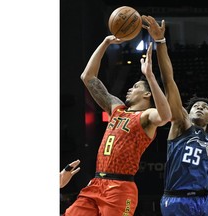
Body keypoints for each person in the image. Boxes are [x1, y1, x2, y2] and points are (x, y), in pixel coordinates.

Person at [63, 36, 172, 216]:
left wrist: (150, 77)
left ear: (147, 94)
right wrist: (105, 43)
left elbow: (165, 116)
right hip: (96, 183)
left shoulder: (146, 116)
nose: (130, 88)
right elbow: (87, 77)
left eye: (136, 86)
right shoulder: (117, 108)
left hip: (121, 187)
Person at [142, 15, 208, 216]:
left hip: (204, 201)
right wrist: (161, 42)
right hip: (177, 200)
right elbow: (169, 80)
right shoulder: (180, 124)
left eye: (204, 107)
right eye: (195, 105)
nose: (199, 108)